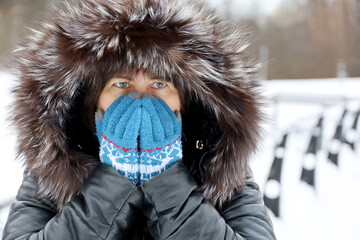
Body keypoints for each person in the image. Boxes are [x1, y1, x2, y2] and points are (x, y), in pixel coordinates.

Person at [2, 0, 276, 239]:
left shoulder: (217, 166)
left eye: (159, 84)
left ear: (184, 100)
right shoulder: (55, 167)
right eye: (122, 84)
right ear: (93, 99)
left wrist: (165, 177)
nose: (141, 100)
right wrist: (115, 179)